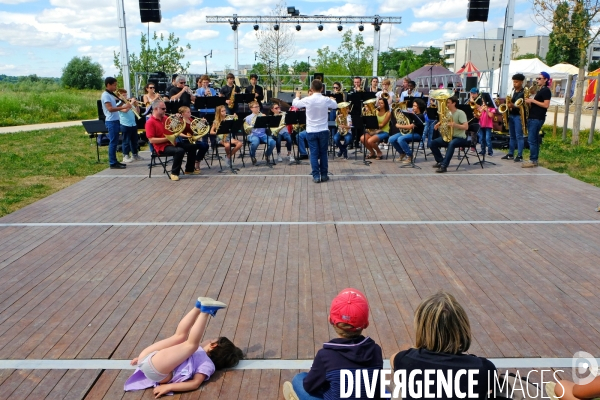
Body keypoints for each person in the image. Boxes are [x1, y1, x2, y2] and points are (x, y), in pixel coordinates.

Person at [124, 297, 243, 398]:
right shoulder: (194, 353)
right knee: (184, 340)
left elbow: (195, 383)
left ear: (213, 345)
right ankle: (199, 307)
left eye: (211, 340)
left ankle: (202, 310)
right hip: (155, 364)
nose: (207, 339)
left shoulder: (207, 364)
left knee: (183, 339)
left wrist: (169, 387)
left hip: (151, 361)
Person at [390, 291, 497, 400]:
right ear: (462, 327)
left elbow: (393, 359)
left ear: (421, 329)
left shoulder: (403, 359)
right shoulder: (484, 368)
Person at [282, 288, 383, 400]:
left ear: (330, 320)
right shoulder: (376, 350)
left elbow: (309, 386)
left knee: (299, 379)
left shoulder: (326, 355)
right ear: (366, 324)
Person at [292, 80, 337, 183]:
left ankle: (316, 176)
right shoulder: (325, 99)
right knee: (323, 153)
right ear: (322, 88)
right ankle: (324, 175)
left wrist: (297, 96)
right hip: (323, 130)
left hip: (311, 130)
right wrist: (331, 99)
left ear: (311, 89)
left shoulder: (308, 99)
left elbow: (296, 104)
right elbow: (335, 105)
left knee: (314, 153)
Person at [145, 100, 197, 181]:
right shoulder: (150, 122)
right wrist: (167, 138)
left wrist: (177, 120)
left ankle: (189, 169)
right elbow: (151, 140)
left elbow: (174, 129)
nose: (165, 110)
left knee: (193, 146)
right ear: (155, 109)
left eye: (165, 108)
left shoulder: (166, 118)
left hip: (172, 143)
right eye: (163, 109)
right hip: (161, 147)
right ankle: (174, 173)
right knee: (179, 151)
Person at [430, 96, 469, 173]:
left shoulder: (460, 113)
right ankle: (440, 161)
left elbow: (466, 127)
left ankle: (444, 166)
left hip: (460, 137)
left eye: (448, 102)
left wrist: (455, 125)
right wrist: (439, 123)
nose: (446, 104)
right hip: (449, 136)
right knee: (432, 143)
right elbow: (444, 121)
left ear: (454, 103)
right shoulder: (446, 112)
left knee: (451, 144)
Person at [101, 77, 131, 169]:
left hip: (115, 120)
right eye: (114, 85)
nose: (115, 87)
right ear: (108, 85)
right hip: (111, 121)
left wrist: (123, 102)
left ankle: (115, 161)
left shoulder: (110, 94)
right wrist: (124, 107)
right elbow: (110, 109)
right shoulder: (106, 95)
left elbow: (115, 106)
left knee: (115, 141)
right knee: (113, 142)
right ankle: (112, 163)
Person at [523, 72, 551, 168]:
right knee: (533, 139)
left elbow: (546, 105)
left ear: (546, 79)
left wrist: (532, 100)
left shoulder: (546, 91)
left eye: (539, 78)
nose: (537, 80)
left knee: (532, 140)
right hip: (533, 117)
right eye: (537, 78)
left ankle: (533, 160)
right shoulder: (540, 90)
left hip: (537, 118)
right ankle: (533, 159)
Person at [389, 98, 426, 164]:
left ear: (419, 106)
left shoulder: (420, 116)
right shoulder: (412, 115)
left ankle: (410, 155)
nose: (412, 107)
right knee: (391, 139)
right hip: (407, 133)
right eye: (413, 105)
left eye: (414, 106)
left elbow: (410, 126)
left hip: (417, 134)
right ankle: (402, 153)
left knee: (400, 139)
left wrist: (399, 126)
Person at [501, 73, 525, 162]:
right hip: (511, 115)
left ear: (521, 82)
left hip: (519, 116)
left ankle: (520, 155)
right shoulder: (513, 91)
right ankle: (510, 154)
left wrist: (513, 105)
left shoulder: (523, 92)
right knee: (512, 136)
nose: (514, 84)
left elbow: (522, 104)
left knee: (519, 136)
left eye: (516, 82)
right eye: (513, 82)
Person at [178, 106, 209, 173]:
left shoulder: (191, 119)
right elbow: (178, 133)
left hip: (192, 139)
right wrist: (186, 136)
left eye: (190, 111)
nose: (190, 113)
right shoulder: (180, 121)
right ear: (183, 114)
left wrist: (202, 123)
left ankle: (197, 160)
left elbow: (196, 129)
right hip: (184, 140)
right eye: (188, 112)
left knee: (205, 145)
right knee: (193, 147)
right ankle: (190, 168)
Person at [116, 88, 143, 164]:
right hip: (125, 124)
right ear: (119, 97)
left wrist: (136, 105)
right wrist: (131, 103)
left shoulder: (128, 103)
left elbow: (137, 112)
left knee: (134, 141)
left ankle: (135, 155)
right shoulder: (119, 104)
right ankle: (125, 156)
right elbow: (125, 110)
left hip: (133, 124)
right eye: (123, 95)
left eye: (126, 95)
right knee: (126, 141)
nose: (125, 96)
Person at [245, 101, 276, 165]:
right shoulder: (248, 118)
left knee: (273, 142)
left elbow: (268, 126)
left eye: (258, 106)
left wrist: (266, 119)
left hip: (263, 134)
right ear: (251, 108)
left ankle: (267, 154)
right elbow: (246, 129)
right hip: (253, 134)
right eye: (255, 107)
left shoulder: (262, 115)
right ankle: (253, 156)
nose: (257, 108)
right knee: (255, 142)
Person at [465, 88, 481, 153]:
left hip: (475, 118)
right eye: (471, 93)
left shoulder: (479, 100)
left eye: (474, 93)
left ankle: (473, 146)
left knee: (473, 133)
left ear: (477, 94)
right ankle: (463, 145)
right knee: (465, 132)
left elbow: (479, 107)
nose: (472, 95)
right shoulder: (467, 100)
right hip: (468, 118)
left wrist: (472, 101)